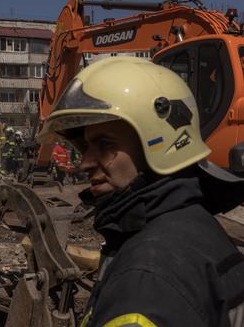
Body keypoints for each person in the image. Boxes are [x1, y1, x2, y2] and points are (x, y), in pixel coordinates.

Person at [38, 57, 244, 327]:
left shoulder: (146, 279)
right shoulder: (198, 227)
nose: (84, 163)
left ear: (158, 147)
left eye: (105, 145)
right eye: (86, 146)